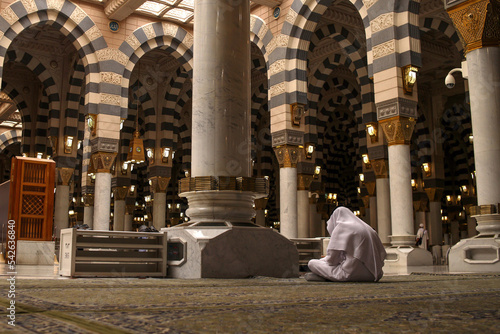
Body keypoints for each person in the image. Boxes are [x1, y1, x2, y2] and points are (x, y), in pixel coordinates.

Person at [305, 207, 387, 282]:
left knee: (312, 263)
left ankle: (323, 276)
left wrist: (322, 260)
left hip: (350, 274)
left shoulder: (341, 227)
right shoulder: (369, 229)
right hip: (374, 275)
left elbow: (331, 261)